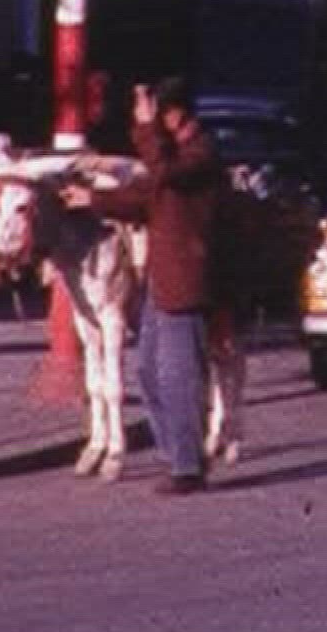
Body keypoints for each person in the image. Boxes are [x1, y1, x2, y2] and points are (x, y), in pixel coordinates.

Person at [61, 75, 222, 495]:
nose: (146, 124)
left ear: (174, 115)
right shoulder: (171, 158)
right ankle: (176, 453)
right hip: (161, 280)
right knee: (148, 369)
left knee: (178, 376)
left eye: (153, 114)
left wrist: (147, 130)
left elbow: (162, 175)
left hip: (185, 280)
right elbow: (143, 195)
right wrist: (93, 200)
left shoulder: (199, 153)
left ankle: (187, 467)